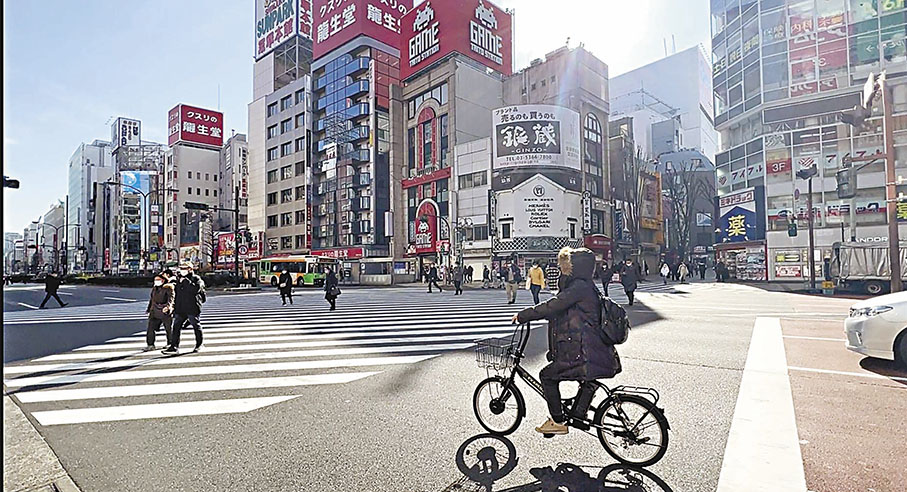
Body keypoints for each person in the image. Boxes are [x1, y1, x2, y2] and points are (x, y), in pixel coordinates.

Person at [511, 247, 621, 436]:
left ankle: (558, 421)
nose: (561, 269)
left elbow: (553, 305)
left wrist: (523, 316)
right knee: (586, 381)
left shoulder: (578, 288)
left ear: (574, 268)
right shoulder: (585, 286)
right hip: (594, 349)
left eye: (565, 266)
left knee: (547, 376)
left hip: (583, 352)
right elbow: (566, 311)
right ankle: (578, 415)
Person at [163, 263, 206, 355]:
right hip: (180, 307)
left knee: (195, 325)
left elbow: (195, 290)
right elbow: (176, 293)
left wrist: (186, 281)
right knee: (176, 326)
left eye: (184, 268)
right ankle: (174, 347)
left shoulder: (196, 279)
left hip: (192, 306)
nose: (182, 270)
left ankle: (199, 344)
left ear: (190, 269)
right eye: (181, 268)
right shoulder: (178, 279)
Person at [145, 274, 174, 352]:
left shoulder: (168, 288)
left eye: (158, 280)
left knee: (168, 328)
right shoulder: (155, 288)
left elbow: (171, 299)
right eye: (155, 280)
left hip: (165, 311)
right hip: (154, 310)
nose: (156, 281)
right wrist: (148, 309)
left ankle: (170, 343)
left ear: (163, 280)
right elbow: (152, 299)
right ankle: (150, 344)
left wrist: (168, 307)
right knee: (150, 328)